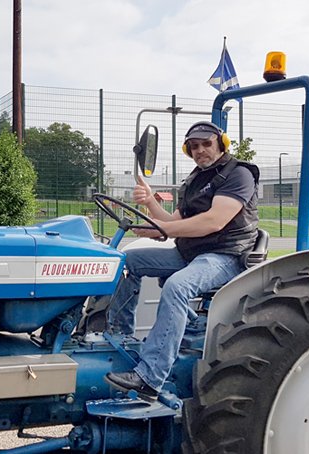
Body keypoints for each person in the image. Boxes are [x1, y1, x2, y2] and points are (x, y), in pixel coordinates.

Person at [104, 120, 260, 399]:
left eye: (206, 144)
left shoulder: (238, 174)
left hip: (226, 255)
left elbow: (213, 221)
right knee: (125, 261)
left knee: (178, 286)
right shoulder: (194, 180)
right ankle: (119, 336)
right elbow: (172, 222)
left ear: (221, 143)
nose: (200, 150)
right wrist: (151, 204)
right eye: (194, 146)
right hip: (190, 253)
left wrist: (159, 229)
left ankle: (150, 378)